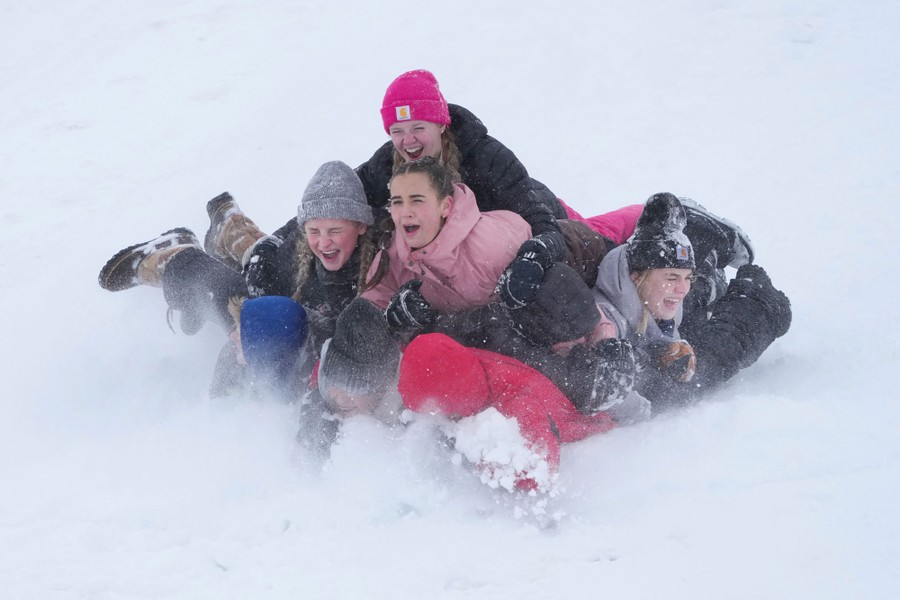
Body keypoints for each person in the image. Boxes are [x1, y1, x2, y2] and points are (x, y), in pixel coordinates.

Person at [215, 69, 642, 309]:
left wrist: (534, 256)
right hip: (464, 263)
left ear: (441, 124)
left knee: (601, 235)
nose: (409, 141)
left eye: (419, 127)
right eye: (398, 131)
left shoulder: (485, 155)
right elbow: (337, 207)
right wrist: (280, 242)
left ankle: (653, 211)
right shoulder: (388, 164)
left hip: (537, 212)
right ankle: (232, 231)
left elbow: (543, 224)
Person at [97, 160, 376, 394]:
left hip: (298, 295)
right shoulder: (298, 252)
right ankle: (174, 256)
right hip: (271, 280)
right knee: (245, 311)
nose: (324, 242)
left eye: (335, 231)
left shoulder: (375, 261)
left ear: (361, 225)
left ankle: (231, 227)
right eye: (315, 232)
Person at [360, 156, 531, 313]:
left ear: (445, 206)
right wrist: (394, 319)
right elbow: (370, 319)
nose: (405, 212)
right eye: (397, 202)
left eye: (417, 200)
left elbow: (542, 311)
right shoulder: (389, 260)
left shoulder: (492, 248)